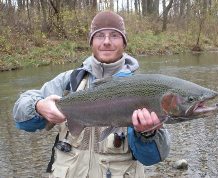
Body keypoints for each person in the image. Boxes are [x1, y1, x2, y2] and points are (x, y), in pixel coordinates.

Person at [13, 11, 170, 178]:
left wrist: (147, 133)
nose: (107, 42)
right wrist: (39, 106)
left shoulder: (140, 87)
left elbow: (153, 157)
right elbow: (21, 117)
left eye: (115, 35)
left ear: (124, 42)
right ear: (91, 41)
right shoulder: (70, 81)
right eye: (100, 35)